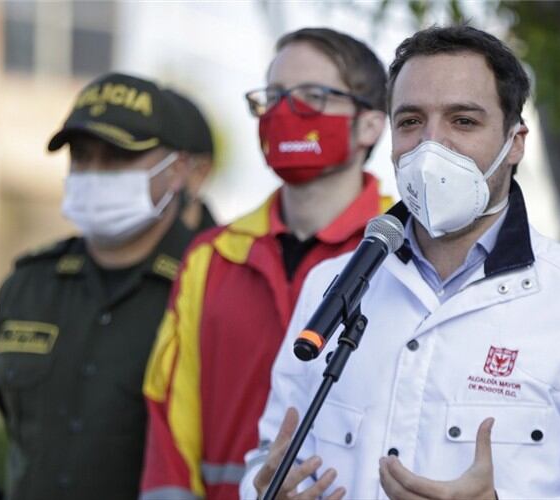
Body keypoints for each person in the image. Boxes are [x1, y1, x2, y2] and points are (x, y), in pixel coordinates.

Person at [243, 25, 560, 500]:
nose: (432, 146)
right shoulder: (331, 285)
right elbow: (268, 455)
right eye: (410, 121)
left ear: (515, 142)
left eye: (463, 121)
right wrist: (265, 489)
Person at [140, 27, 391, 500]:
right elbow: (170, 430)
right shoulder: (212, 259)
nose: (285, 113)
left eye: (313, 96)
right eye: (274, 96)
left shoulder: (404, 254)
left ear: (371, 125)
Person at [0, 72, 217, 500]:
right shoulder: (28, 286)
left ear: (178, 171)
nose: (94, 173)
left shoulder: (214, 286)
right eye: (82, 157)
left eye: (116, 158)